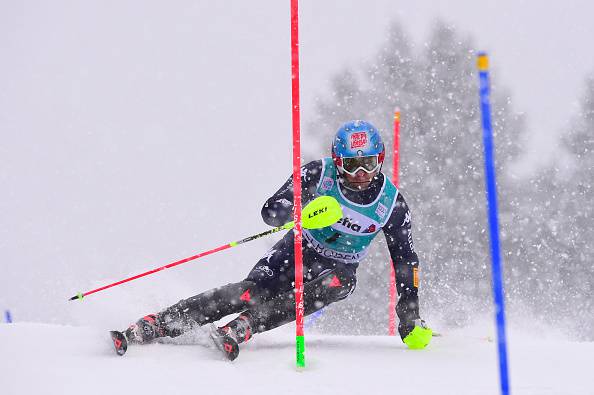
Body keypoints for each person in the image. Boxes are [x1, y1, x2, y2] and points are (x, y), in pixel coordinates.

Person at [119, 120, 431, 360]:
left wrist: (409, 311)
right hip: (297, 249)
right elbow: (271, 211)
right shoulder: (318, 175)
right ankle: (160, 323)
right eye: (351, 164)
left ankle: (247, 324)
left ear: (381, 159)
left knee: (344, 282)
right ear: (338, 161)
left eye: (369, 163)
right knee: (247, 293)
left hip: (336, 268)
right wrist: (293, 209)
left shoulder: (391, 204)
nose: (361, 173)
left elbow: (405, 260)